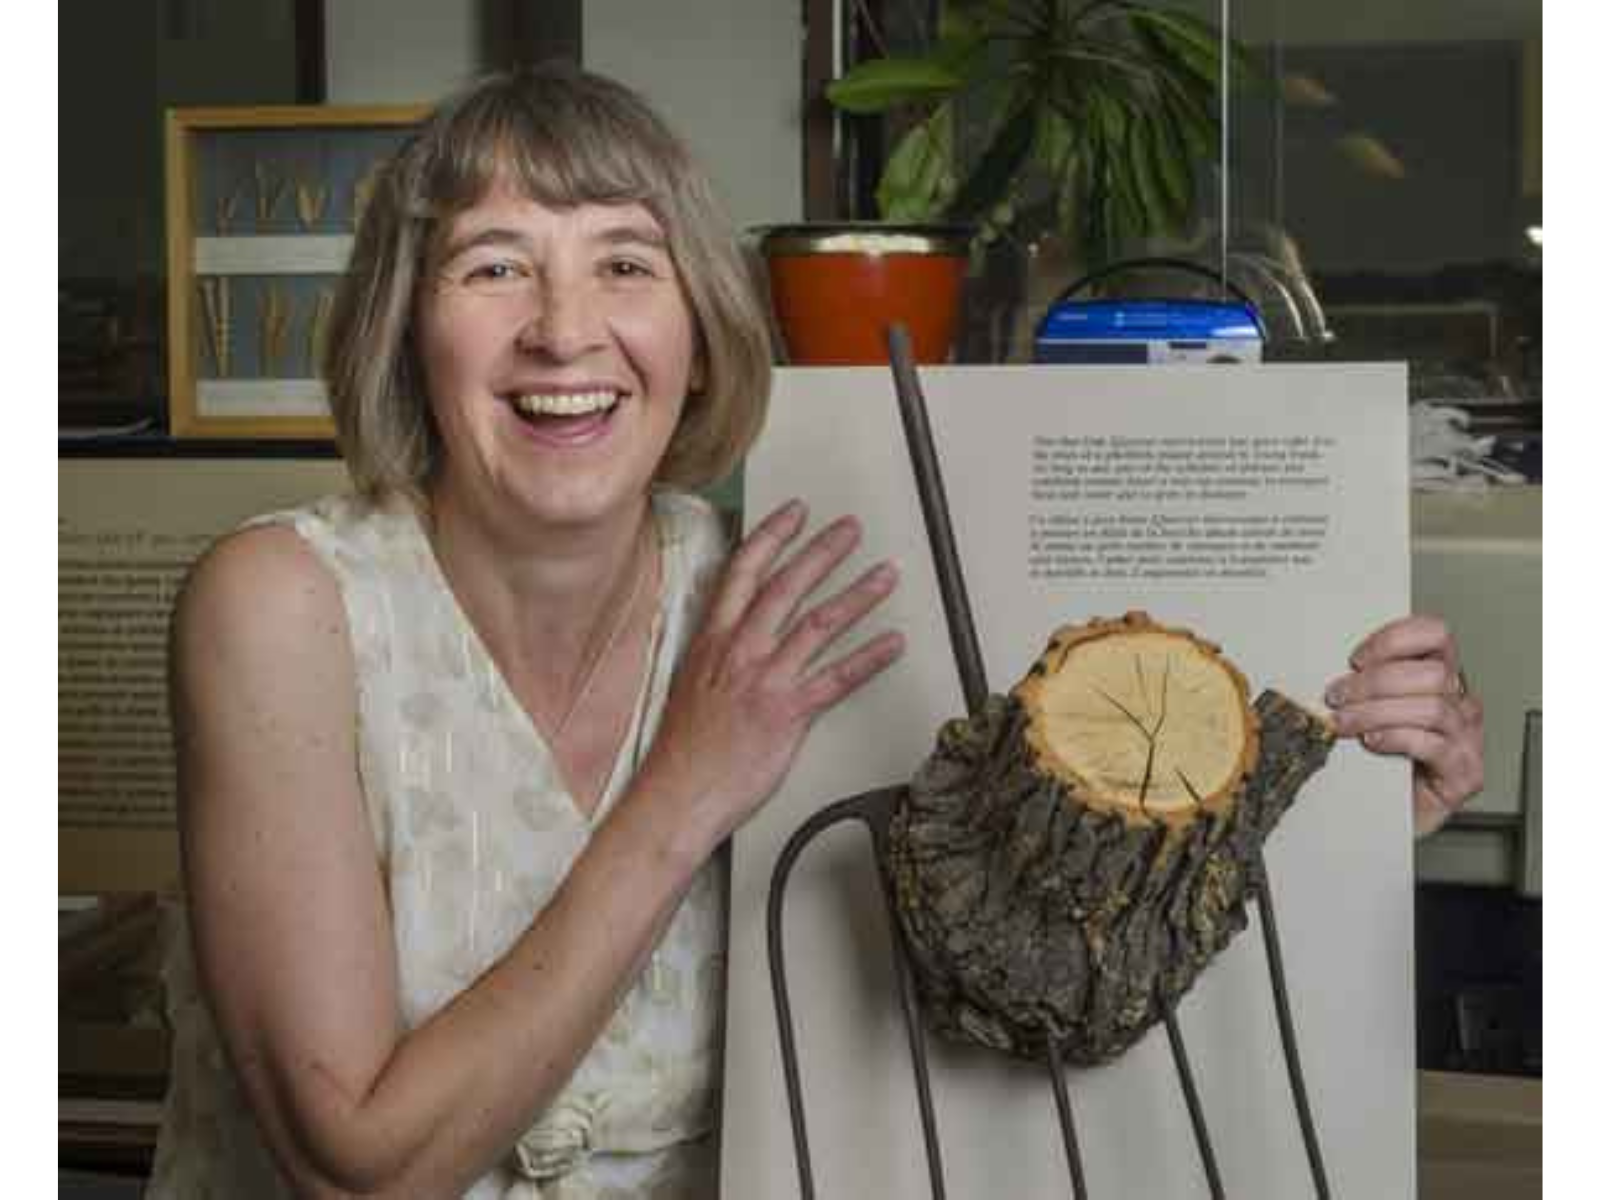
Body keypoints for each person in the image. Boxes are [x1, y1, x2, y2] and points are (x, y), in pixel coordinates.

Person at [149, 63, 1483, 1200]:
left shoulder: (788, 587)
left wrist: (1348, 822)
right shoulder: (280, 603)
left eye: (626, 262)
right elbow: (358, 1165)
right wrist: (689, 785)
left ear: (698, 328)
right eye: (493, 266)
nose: (565, 331)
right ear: (405, 325)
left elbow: (1035, 967)